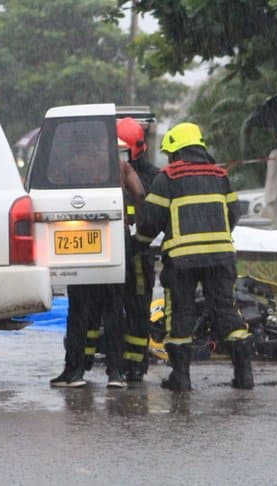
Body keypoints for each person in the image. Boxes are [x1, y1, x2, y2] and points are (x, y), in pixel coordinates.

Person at [136, 122, 254, 391]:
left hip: (181, 261)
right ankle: (244, 375)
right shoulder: (220, 175)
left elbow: (151, 220)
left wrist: (139, 243)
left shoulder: (167, 178)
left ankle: (181, 378)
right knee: (226, 310)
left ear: (175, 150)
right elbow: (233, 213)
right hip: (221, 257)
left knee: (180, 314)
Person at [50, 135, 144, 388]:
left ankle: (74, 372)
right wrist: (130, 218)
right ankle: (116, 373)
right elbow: (140, 192)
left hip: (80, 241)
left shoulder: (71, 166)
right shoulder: (119, 165)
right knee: (114, 308)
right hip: (114, 240)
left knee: (79, 309)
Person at [117, 117, 160, 382]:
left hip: (139, 253)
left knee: (137, 309)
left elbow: (153, 217)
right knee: (118, 309)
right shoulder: (114, 172)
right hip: (121, 250)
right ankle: (121, 360)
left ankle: (135, 363)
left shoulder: (153, 178)